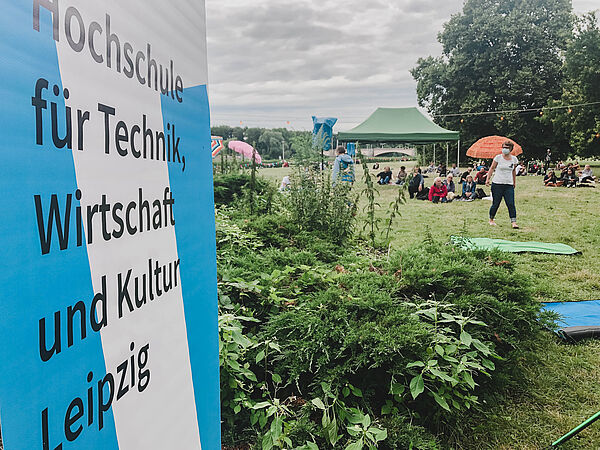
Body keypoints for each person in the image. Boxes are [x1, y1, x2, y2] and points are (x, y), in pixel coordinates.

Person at [485, 141, 519, 228]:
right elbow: (492, 168)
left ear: (511, 149)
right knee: (496, 203)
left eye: (507, 148)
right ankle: (491, 219)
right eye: (503, 147)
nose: (505, 149)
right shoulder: (498, 158)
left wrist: (514, 182)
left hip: (508, 184)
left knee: (511, 203)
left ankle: (513, 222)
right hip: (497, 184)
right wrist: (488, 179)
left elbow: (513, 171)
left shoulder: (514, 159)